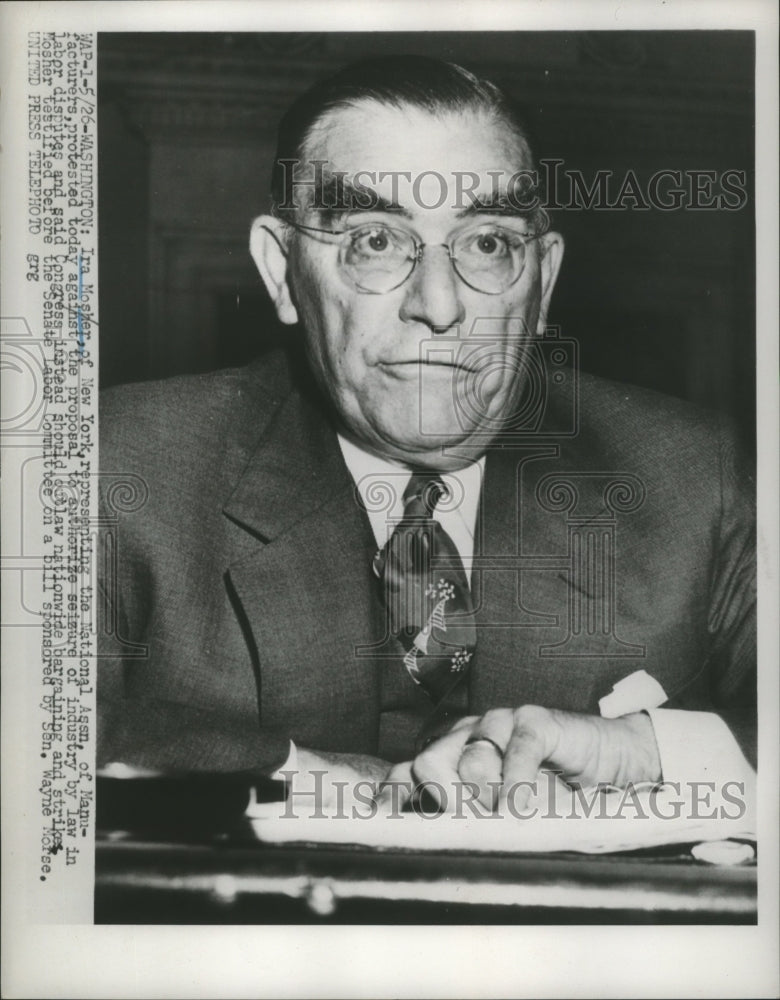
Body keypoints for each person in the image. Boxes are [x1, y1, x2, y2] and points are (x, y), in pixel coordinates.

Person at [98, 55, 756, 811]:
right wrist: (298, 772)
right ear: (281, 271)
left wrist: (643, 750)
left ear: (543, 279)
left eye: (486, 243)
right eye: (374, 240)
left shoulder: (698, 474)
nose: (438, 307)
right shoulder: (121, 466)